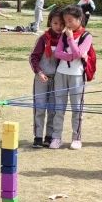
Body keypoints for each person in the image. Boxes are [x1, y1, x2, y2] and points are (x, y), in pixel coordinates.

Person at [49, 5, 93, 150]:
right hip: (61, 73)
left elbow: (80, 53)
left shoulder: (87, 36)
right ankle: (56, 137)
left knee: (77, 108)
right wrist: (71, 55)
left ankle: (76, 137)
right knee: (59, 107)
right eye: (65, 21)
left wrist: (71, 40)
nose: (66, 24)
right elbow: (58, 53)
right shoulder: (64, 35)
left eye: (69, 21)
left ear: (79, 19)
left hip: (77, 75)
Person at [29, 8, 64, 148]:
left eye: (62, 23)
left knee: (53, 109)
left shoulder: (65, 39)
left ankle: (49, 136)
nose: (58, 26)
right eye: (55, 23)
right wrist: (39, 72)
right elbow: (34, 57)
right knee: (40, 107)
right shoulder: (43, 39)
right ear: (50, 22)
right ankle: (38, 136)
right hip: (41, 78)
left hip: (57, 79)